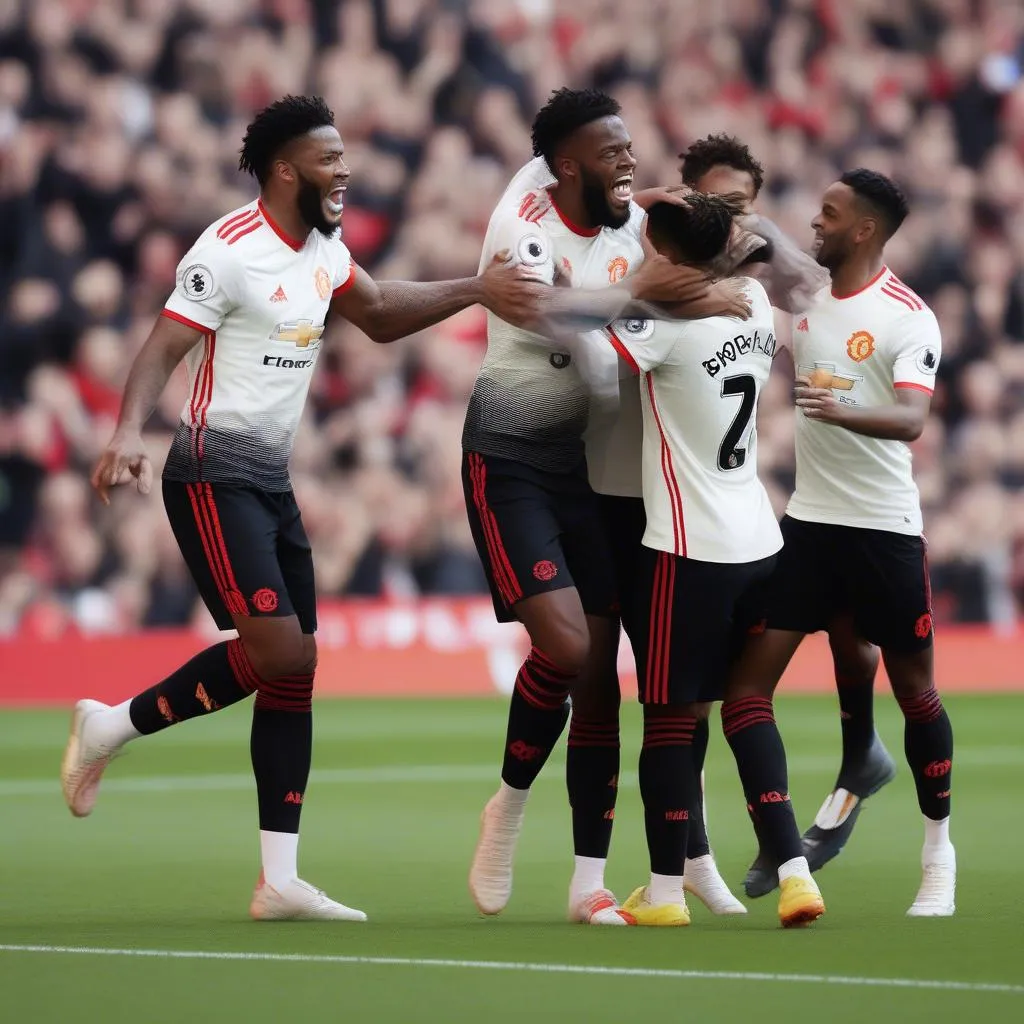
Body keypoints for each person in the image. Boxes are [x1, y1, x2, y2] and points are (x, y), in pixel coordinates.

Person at [60, 94, 541, 922]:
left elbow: (381, 312)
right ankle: (112, 728)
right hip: (210, 472)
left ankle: (278, 879)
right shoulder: (229, 249)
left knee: (296, 668)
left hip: (271, 481)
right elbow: (162, 345)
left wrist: (477, 289)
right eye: (330, 157)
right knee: (281, 653)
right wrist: (127, 431)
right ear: (285, 169)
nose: (346, 169)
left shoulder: (323, 247)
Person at [463, 88, 746, 925]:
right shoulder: (523, 236)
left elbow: (748, 248)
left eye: (631, 146)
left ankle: (590, 884)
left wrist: (695, 262)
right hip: (512, 454)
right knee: (569, 646)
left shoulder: (630, 227)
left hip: (589, 475)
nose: (631, 159)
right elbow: (589, 370)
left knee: (600, 688)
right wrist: (675, 295)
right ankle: (509, 805)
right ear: (565, 166)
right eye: (610, 149)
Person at [719, 169, 956, 917]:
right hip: (812, 526)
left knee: (916, 690)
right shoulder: (809, 303)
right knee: (747, 689)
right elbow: (766, 277)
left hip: (885, 530)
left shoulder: (908, 317)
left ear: (864, 231)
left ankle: (937, 854)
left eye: (828, 214)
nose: (813, 223)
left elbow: (913, 421)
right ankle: (786, 843)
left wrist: (843, 407)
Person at [680, 134, 898, 895]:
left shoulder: (765, 293)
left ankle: (854, 755)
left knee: (711, 698)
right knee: (717, 697)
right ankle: (749, 856)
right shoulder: (747, 297)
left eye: (740, 208)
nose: (728, 221)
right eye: (711, 205)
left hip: (745, 523)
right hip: (719, 513)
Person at [600, 193, 823, 927]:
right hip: (761, 539)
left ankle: (665, 894)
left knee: (668, 722)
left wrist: (636, 283)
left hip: (687, 548)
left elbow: (592, 365)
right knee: (749, 706)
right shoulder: (754, 301)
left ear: (664, 253)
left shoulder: (660, 322)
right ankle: (795, 873)